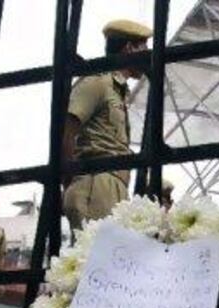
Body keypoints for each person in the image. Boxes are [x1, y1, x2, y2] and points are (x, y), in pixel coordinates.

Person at [61, 19, 152, 232]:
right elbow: (67, 129)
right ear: (129, 48)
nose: (148, 55)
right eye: (143, 48)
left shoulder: (117, 91)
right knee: (97, 256)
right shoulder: (98, 82)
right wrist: (70, 181)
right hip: (96, 182)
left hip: (114, 183)